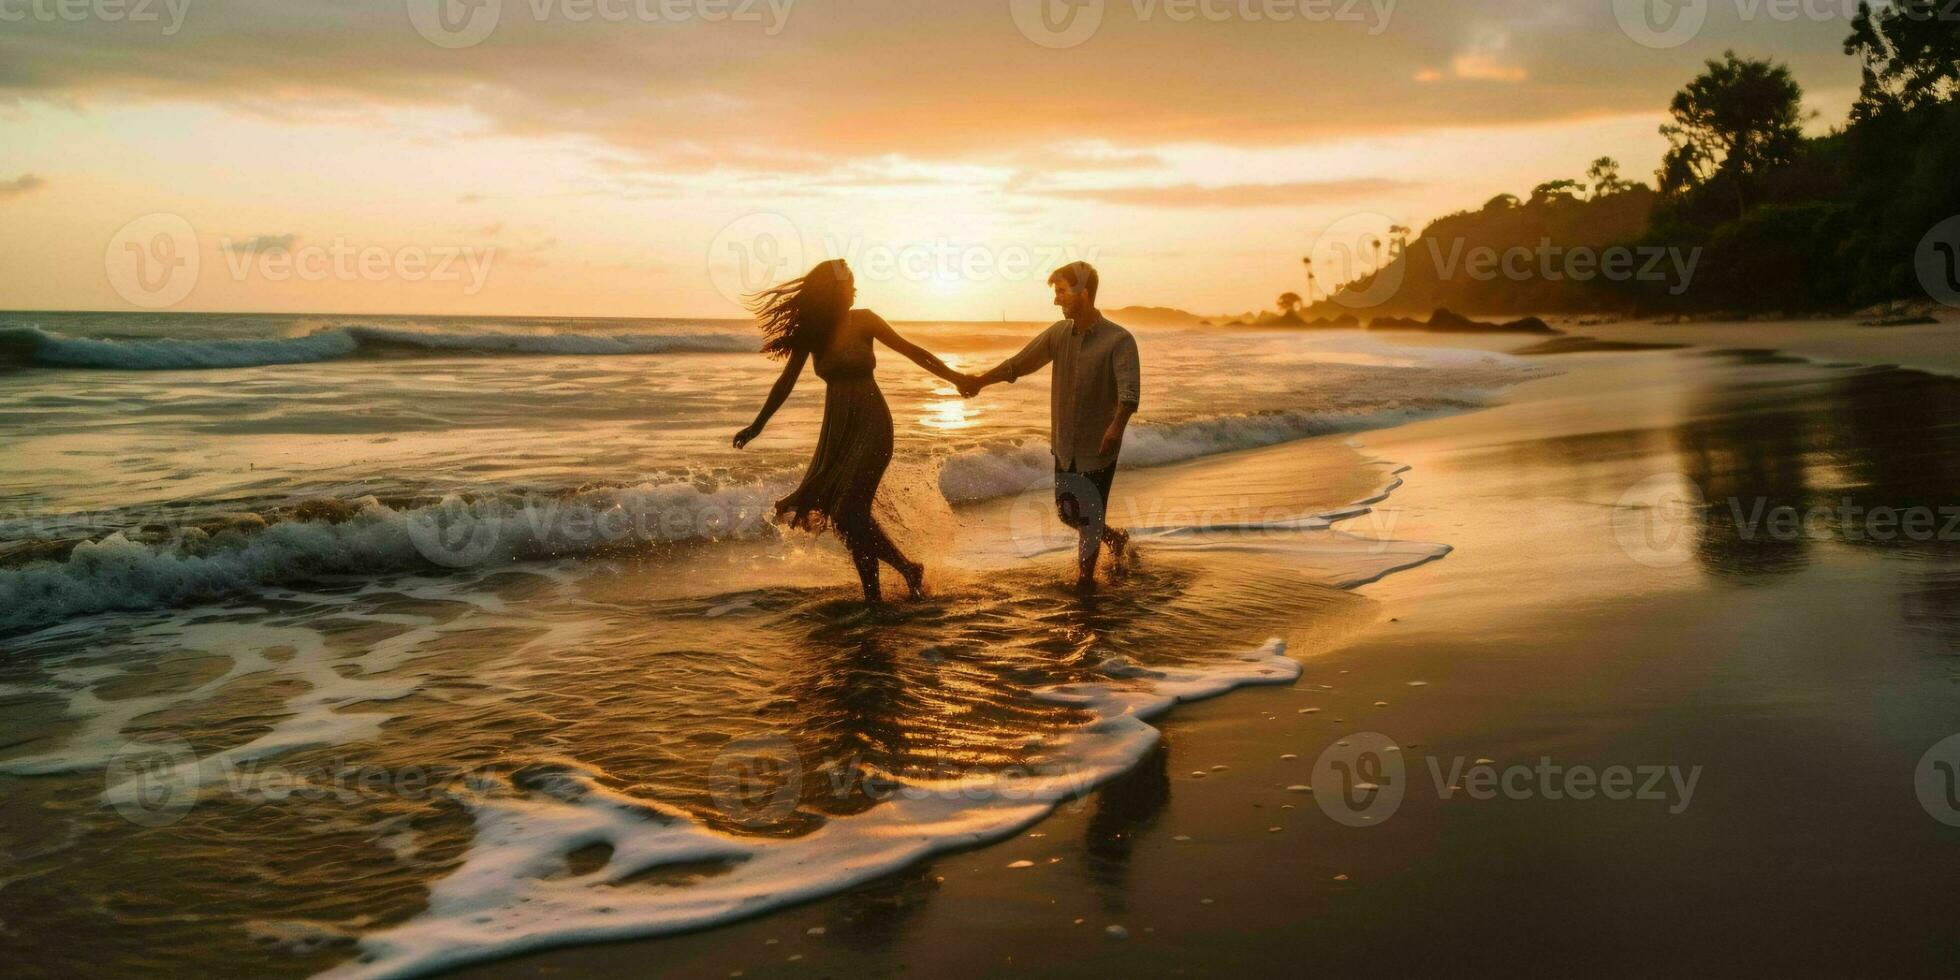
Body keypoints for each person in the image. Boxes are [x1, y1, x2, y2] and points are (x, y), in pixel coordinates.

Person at [733, 259, 978, 608]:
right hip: (837, 431)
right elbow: (785, 381)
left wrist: (956, 378)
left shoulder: (865, 320)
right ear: (833, 292)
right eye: (849, 286)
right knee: (849, 519)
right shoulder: (814, 334)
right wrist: (758, 425)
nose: (855, 290)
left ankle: (907, 570)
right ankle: (876, 598)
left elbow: (913, 352)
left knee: (849, 511)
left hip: (872, 422)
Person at [965, 261, 1140, 593]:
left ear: (1083, 293)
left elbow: (1129, 393)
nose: (1056, 300)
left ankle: (1085, 585)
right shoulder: (1058, 335)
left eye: (1061, 292)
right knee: (1068, 513)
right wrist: (980, 381)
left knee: (1088, 518)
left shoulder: (1119, 340)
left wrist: (1116, 427)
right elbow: (1019, 363)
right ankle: (1115, 539)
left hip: (1098, 446)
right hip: (1065, 443)